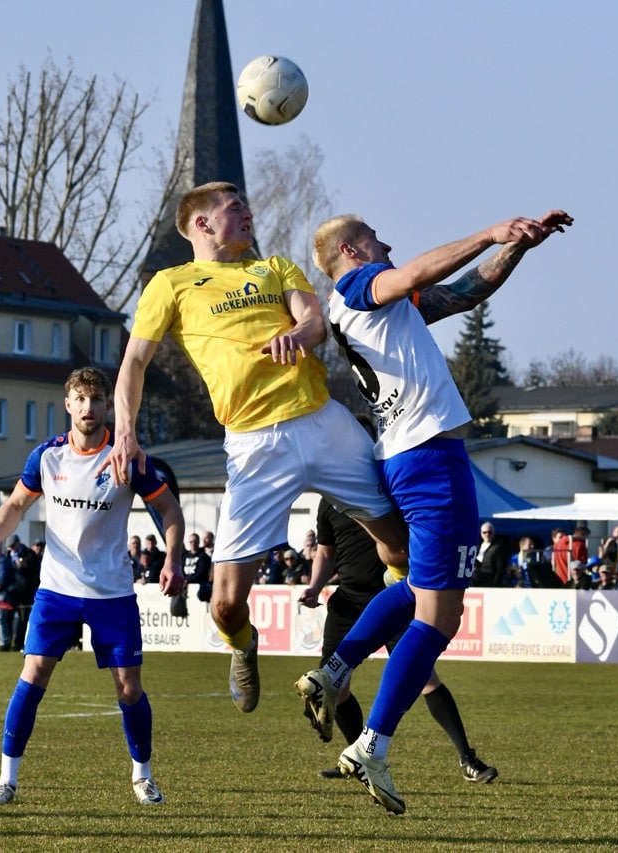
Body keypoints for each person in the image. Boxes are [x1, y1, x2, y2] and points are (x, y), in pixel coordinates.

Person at [295, 207, 571, 813]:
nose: (387, 243)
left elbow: (466, 292)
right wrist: (489, 232)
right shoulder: (358, 286)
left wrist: (518, 247)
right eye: (374, 238)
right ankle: (372, 745)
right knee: (440, 619)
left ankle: (334, 671)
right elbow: (418, 271)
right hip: (430, 461)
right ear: (350, 252)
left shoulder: (381, 307)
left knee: (420, 589)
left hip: (413, 457)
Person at [104, 181, 409, 716]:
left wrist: (299, 334)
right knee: (224, 604)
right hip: (254, 445)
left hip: (323, 423)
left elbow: (313, 321)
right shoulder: (171, 284)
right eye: (235, 208)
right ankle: (244, 645)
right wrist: (125, 431)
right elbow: (133, 363)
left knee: (402, 550)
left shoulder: (274, 268)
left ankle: (393, 618)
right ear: (201, 223)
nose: (247, 214)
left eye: (246, 206)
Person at [0, 366, 184, 808]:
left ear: (109, 406)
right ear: (68, 404)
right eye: (81, 399)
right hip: (57, 590)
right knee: (32, 674)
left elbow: (170, 509)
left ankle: (143, 776)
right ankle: (6, 780)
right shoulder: (47, 457)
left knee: (129, 688)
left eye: (97, 400)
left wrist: (173, 558)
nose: (89, 407)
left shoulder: (127, 458)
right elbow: (15, 504)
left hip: (112, 592)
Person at [300, 501, 498, 784]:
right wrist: (314, 586)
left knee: (426, 679)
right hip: (348, 601)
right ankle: (357, 758)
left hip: (394, 597)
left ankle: (468, 759)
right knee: (335, 685)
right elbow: (325, 552)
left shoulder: (382, 492)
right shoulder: (328, 501)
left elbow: (412, 536)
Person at [472, 522, 505, 587]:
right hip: (477, 576)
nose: (487, 534)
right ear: (481, 533)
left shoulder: (498, 547)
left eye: (490, 532)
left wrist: (495, 583)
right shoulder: (478, 546)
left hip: (489, 578)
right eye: (484, 532)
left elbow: (501, 567)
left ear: (493, 533)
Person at [182, 533, 212, 603]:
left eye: (195, 541)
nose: (193, 543)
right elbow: (181, 570)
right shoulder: (185, 556)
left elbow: (201, 573)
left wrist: (187, 580)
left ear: (198, 542)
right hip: (185, 585)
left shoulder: (204, 556)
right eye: (191, 542)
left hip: (199, 586)